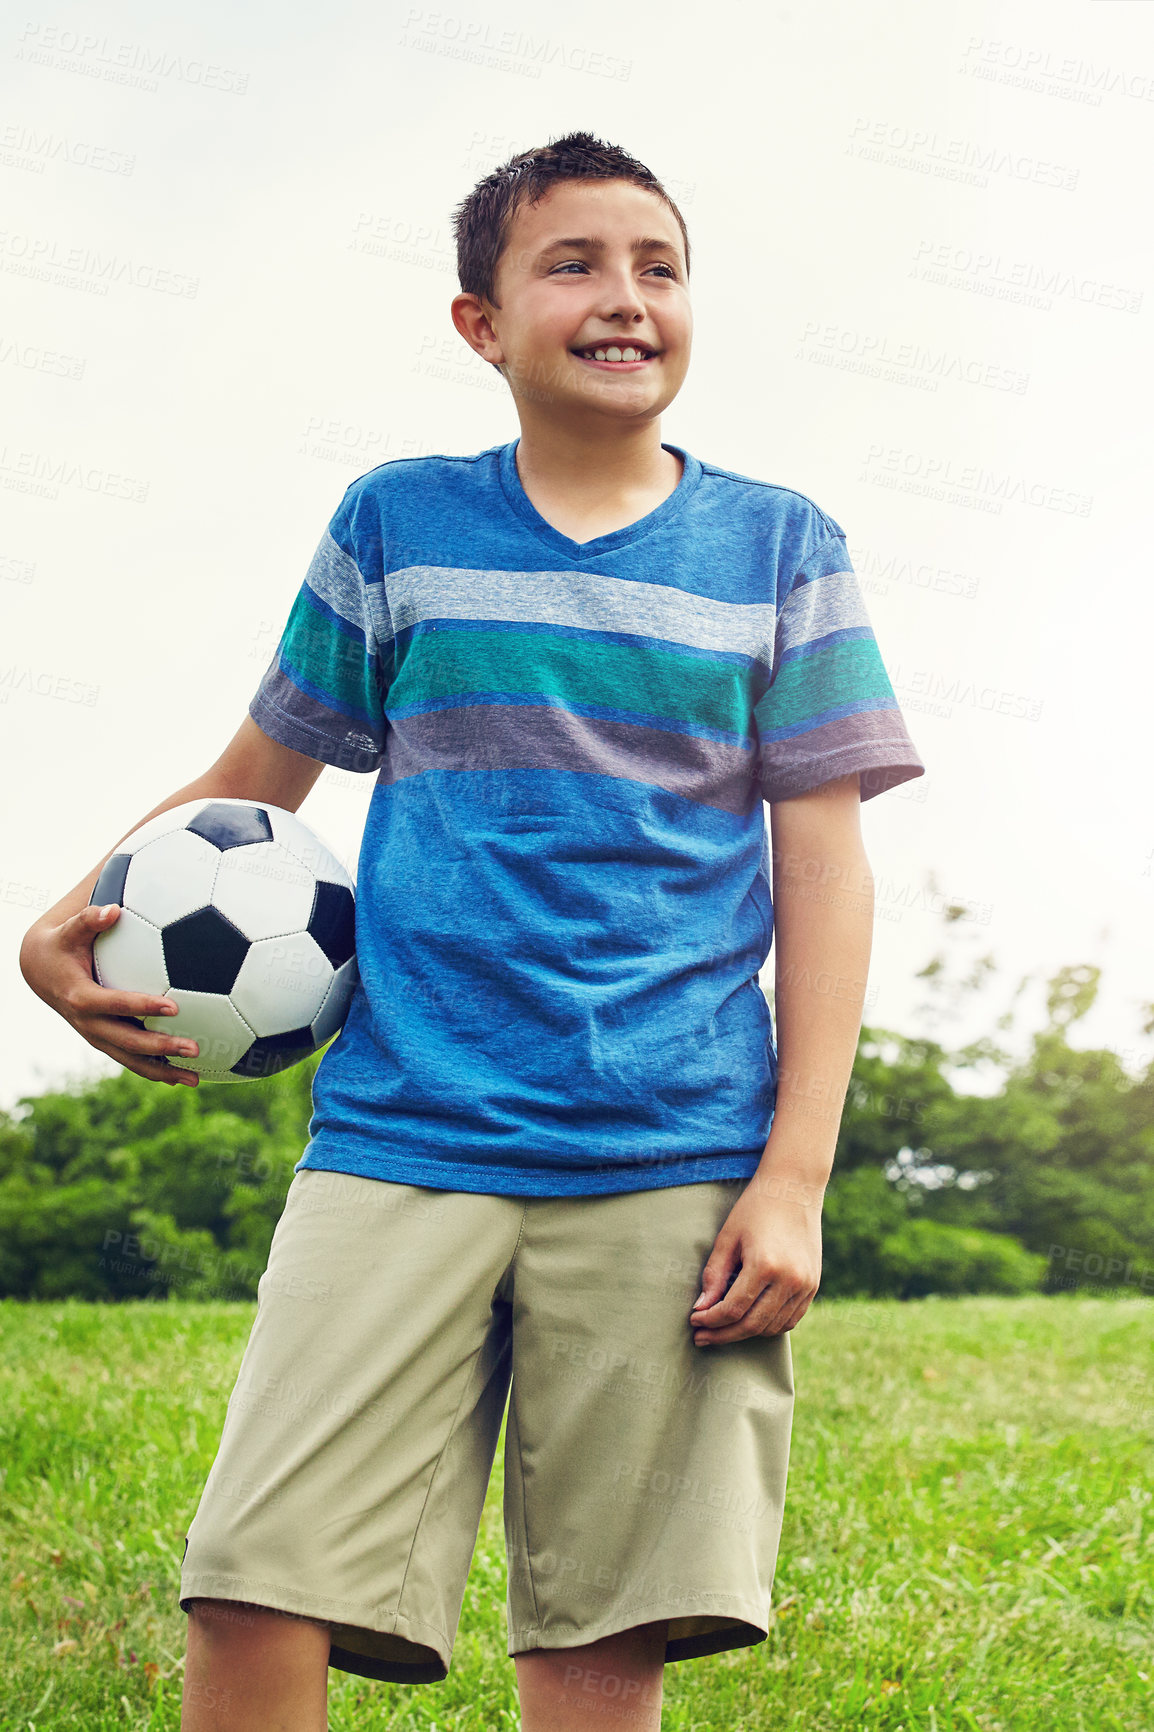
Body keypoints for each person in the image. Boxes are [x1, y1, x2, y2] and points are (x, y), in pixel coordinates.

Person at [19, 130, 925, 1731]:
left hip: (672, 1154)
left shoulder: (784, 550)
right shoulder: (397, 523)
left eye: (657, 266)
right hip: (400, 1135)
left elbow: (824, 874)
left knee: (600, 1627)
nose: (623, 297)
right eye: (570, 264)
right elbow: (252, 784)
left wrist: (789, 1180)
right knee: (255, 1577)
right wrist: (67, 921)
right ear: (479, 323)